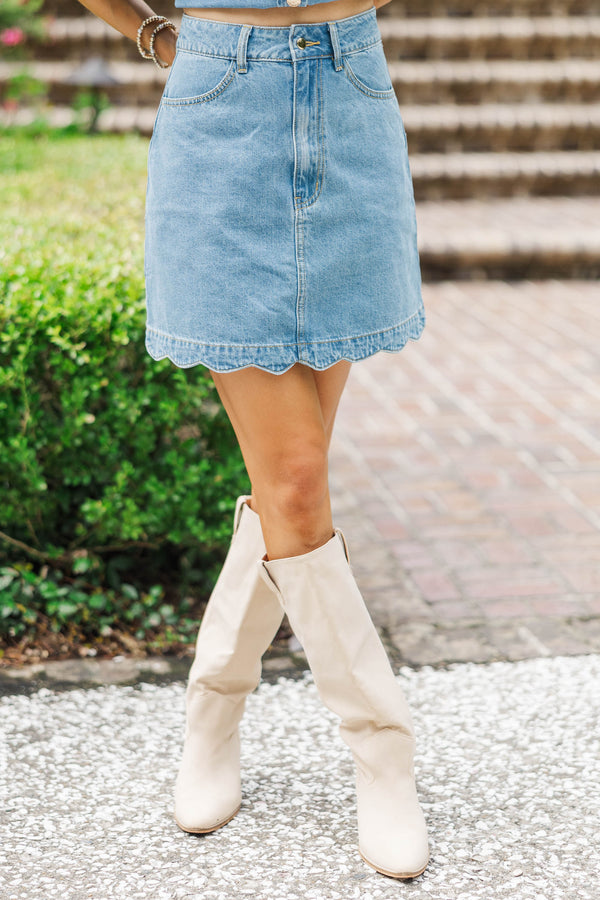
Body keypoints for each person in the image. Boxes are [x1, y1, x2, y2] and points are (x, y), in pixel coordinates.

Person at [77, 0, 429, 880]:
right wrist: (153, 32)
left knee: (287, 493)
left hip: (350, 95)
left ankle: (214, 707)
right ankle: (383, 749)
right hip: (220, 108)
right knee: (300, 481)